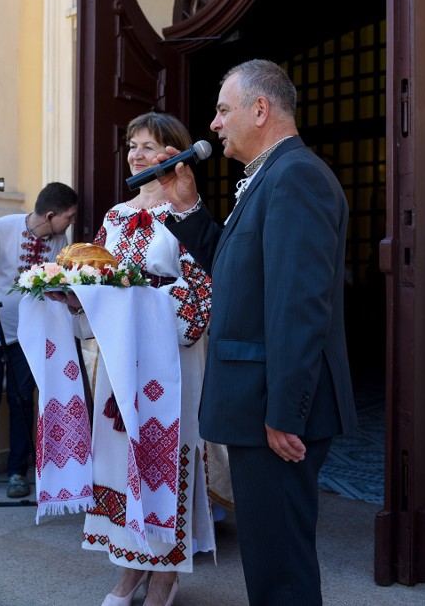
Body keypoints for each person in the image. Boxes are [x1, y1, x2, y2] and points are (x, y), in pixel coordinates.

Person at [159, 59, 357, 605]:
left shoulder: (296, 177)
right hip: (258, 407)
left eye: (224, 110)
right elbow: (236, 266)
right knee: (270, 559)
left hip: (274, 414)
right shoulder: (271, 175)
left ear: (261, 109)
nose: (214, 124)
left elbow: (299, 306)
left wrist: (283, 415)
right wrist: (188, 207)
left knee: (280, 569)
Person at [58, 113, 215, 606]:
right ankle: (129, 573)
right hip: (119, 361)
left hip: (170, 361)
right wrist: (78, 298)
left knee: (166, 459)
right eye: (132, 145)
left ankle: (164, 577)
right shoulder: (116, 217)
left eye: (150, 146)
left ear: (176, 154)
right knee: (119, 461)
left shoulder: (190, 214)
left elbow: (204, 291)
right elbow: (102, 281)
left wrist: (147, 306)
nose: (137, 155)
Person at [0, 182, 78, 499]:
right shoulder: (0, 230)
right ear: (50, 214)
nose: (70, 224)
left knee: (22, 400)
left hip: (27, 336)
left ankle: (17, 472)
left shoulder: (59, 241)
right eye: (68, 217)